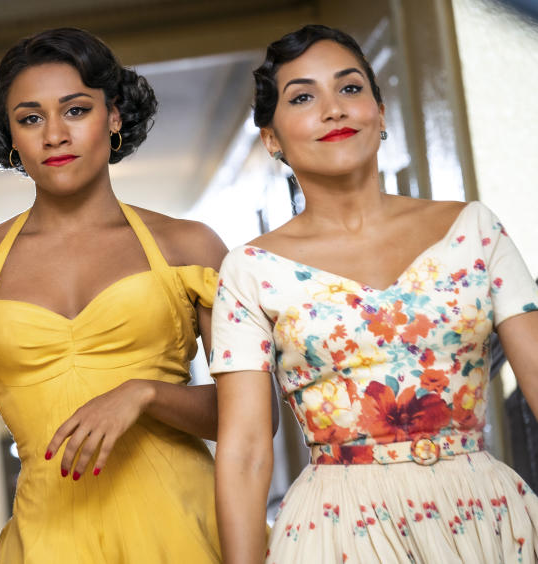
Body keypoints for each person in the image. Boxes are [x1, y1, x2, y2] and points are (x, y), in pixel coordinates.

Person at [211, 24, 538, 563]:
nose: (333, 109)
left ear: (380, 114)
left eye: (350, 88)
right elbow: (245, 452)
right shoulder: (250, 270)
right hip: (337, 533)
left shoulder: (475, 230)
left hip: (484, 519)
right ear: (272, 138)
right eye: (303, 97)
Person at [0, 27, 227, 562]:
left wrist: (145, 392)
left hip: (185, 527)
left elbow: (253, 414)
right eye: (31, 118)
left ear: (113, 117)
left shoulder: (187, 244)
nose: (54, 135)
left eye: (76, 110)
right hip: (46, 539)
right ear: (12, 137)